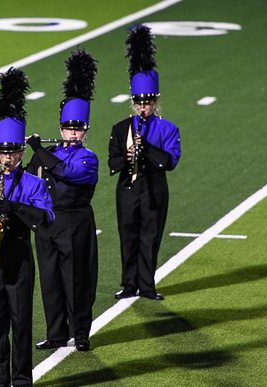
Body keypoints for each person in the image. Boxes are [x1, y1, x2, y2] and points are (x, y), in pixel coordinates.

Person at [0, 68, 54, 387]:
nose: (7, 158)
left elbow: (46, 218)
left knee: (21, 325)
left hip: (20, 259)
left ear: (22, 152)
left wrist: (16, 209)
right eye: (2, 152)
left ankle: (21, 380)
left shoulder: (34, 182)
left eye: (13, 152)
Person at [26, 49, 99, 352]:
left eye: (77, 129)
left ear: (85, 131)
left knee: (75, 280)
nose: (72, 133)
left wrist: (36, 148)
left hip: (74, 221)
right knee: (51, 281)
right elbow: (30, 179)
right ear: (61, 129)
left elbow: (66, 172)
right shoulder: (50, 152)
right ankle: (56, 333)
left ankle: (80, 333)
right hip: (48, 223)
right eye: (68, 128)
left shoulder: (88, 157)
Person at [108, 25, 181, 301]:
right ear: (133, 101)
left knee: (150, 235)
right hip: (127, 187)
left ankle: (147, 285)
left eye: (148, 101)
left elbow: (170, 161)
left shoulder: (167, 129)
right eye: (139, 101)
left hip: (154, 187)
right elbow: (112, 161)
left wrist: (146, 148)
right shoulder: (121, 127)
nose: (143, 106)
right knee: (128, 235)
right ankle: (129, 284)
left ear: (155, 101)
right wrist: (126, 158)